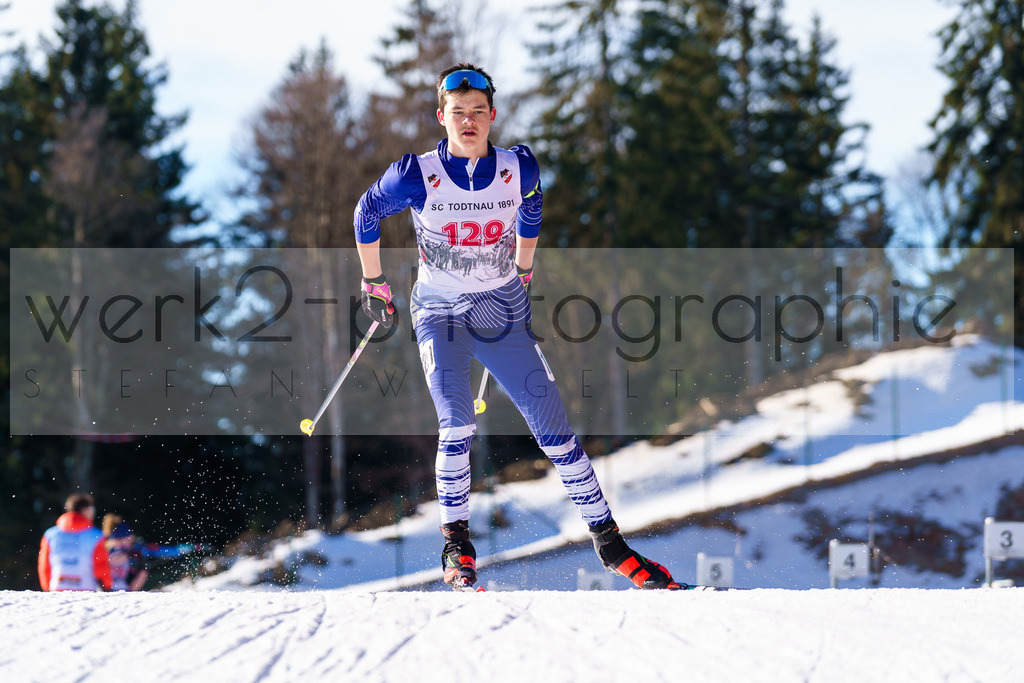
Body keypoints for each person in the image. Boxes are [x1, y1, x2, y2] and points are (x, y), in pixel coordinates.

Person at [354, 63, 683, 590]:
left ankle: (611, 544)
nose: (468, 122)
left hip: (499, 309)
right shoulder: (415, 173)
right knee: (457, 421)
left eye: (478, 113)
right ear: (442, 117)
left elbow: (532, 207)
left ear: (492, 116)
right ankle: (456, 547)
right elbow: (366, 211)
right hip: (440, 312)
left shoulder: (517, 167)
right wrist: (374, 283)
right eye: (457, 113)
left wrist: (524, 267)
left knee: (553, 427)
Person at [102, 513, 197, 591]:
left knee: (144, 570)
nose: (130, 544)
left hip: (124, 591)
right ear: (119, 539)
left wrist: (191, 547)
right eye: (128, 540)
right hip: (104, 592)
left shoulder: (135, 550)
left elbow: (164, 551)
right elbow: (107, 561)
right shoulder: (105, 550)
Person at [38, 493, 112, 591]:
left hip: (57, 589)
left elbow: (45, 565)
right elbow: (101, 564)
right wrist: (106, 586)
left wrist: (47, 586)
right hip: (87, 589)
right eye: (92, 510)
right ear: (85, 510)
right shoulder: (96, 536)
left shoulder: (50, 535)